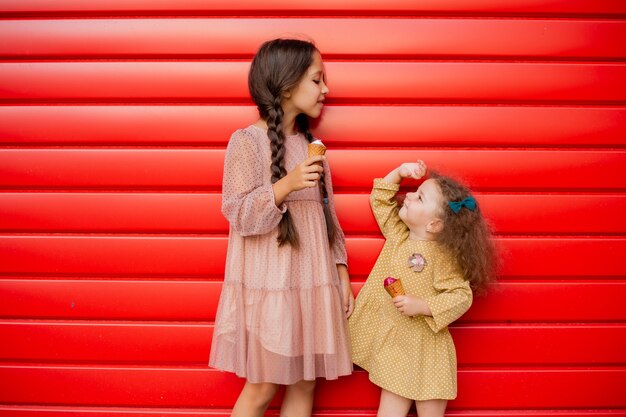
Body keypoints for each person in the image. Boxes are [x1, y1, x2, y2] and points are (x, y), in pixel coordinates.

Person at [209, 38, 353, 417]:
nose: (326, 90)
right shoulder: (246, 142)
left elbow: (328, 218)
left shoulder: (311, 145)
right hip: (270, 286)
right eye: (317, 80)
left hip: (311, 283)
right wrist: (286, 185)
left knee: (305, 382)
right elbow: (238, 213)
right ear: (287, 86)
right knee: (263, 384)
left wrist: (340, 272)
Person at [348, 161, 497, 417]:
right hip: (397, 350)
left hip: (430, 353)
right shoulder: (399, 235)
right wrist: (398, 173)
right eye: (413, 191)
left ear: (434, 225)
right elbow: (381, 201)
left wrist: (425, 306)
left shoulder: (443, 258)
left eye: (419, 197)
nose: (408, 195)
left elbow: (461, 295)